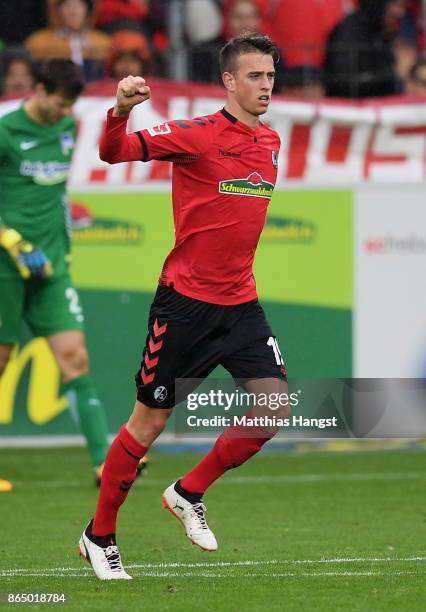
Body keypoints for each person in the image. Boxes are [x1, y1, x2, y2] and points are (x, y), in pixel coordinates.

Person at [78, 31, 290, 581]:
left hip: (241, 304)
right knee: (147, 423)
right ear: (228, 81)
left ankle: (188, 491)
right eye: (254, 76)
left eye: (270, 75)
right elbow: (112, 152)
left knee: (274, 407)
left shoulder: (271, 142)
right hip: (185, 306)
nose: (265, 85)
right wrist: (120, 110)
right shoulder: (195, 135)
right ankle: (99, 536)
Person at [0, 59, 112, 486]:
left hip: (50, 268)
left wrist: (56, 246)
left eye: (71, 106)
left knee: (75, 358)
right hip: (5, 267)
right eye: (60, 103)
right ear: (39, 89)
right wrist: (12, 241)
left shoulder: (67, 129)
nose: (66, 112)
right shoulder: (6, 132)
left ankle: (106, 464)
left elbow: (55, 196)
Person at [324, 0, 408, 98]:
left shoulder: (382, 31)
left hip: (381, 106)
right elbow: (343, 83)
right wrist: (395, 73)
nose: (400, 13)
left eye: (403, 6)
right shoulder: (348, 31)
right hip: (350, 108)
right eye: (395, 4)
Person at [25, 0, 111, 82]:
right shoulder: (39, 42)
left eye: (79, 5)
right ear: (57, 10)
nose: (73, 12)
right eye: (67, 5)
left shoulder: (102, 41)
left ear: (88, 10)